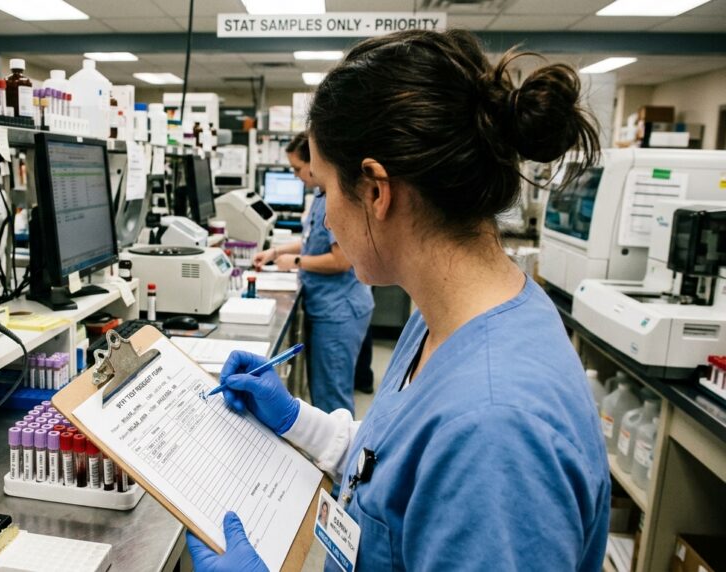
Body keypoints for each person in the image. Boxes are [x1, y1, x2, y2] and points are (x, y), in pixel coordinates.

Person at [187, 30, 609, 571]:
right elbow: (396, 463)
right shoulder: (448, 316)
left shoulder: (495, 435)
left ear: (375, 191)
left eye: (325, 189)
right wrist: (297, 421)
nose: (327, 215)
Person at [253, 132, 373, 415]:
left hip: (339, 310)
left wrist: (296, 261)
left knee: (332, 398)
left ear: (315, 163)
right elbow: (311, 240)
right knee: (323, 391)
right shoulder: (320, 197)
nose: (295, 176)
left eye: (297, 168)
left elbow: (341, 260)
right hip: (328, 305)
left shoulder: (337, 198)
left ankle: (338, 459)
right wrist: (276, 252)